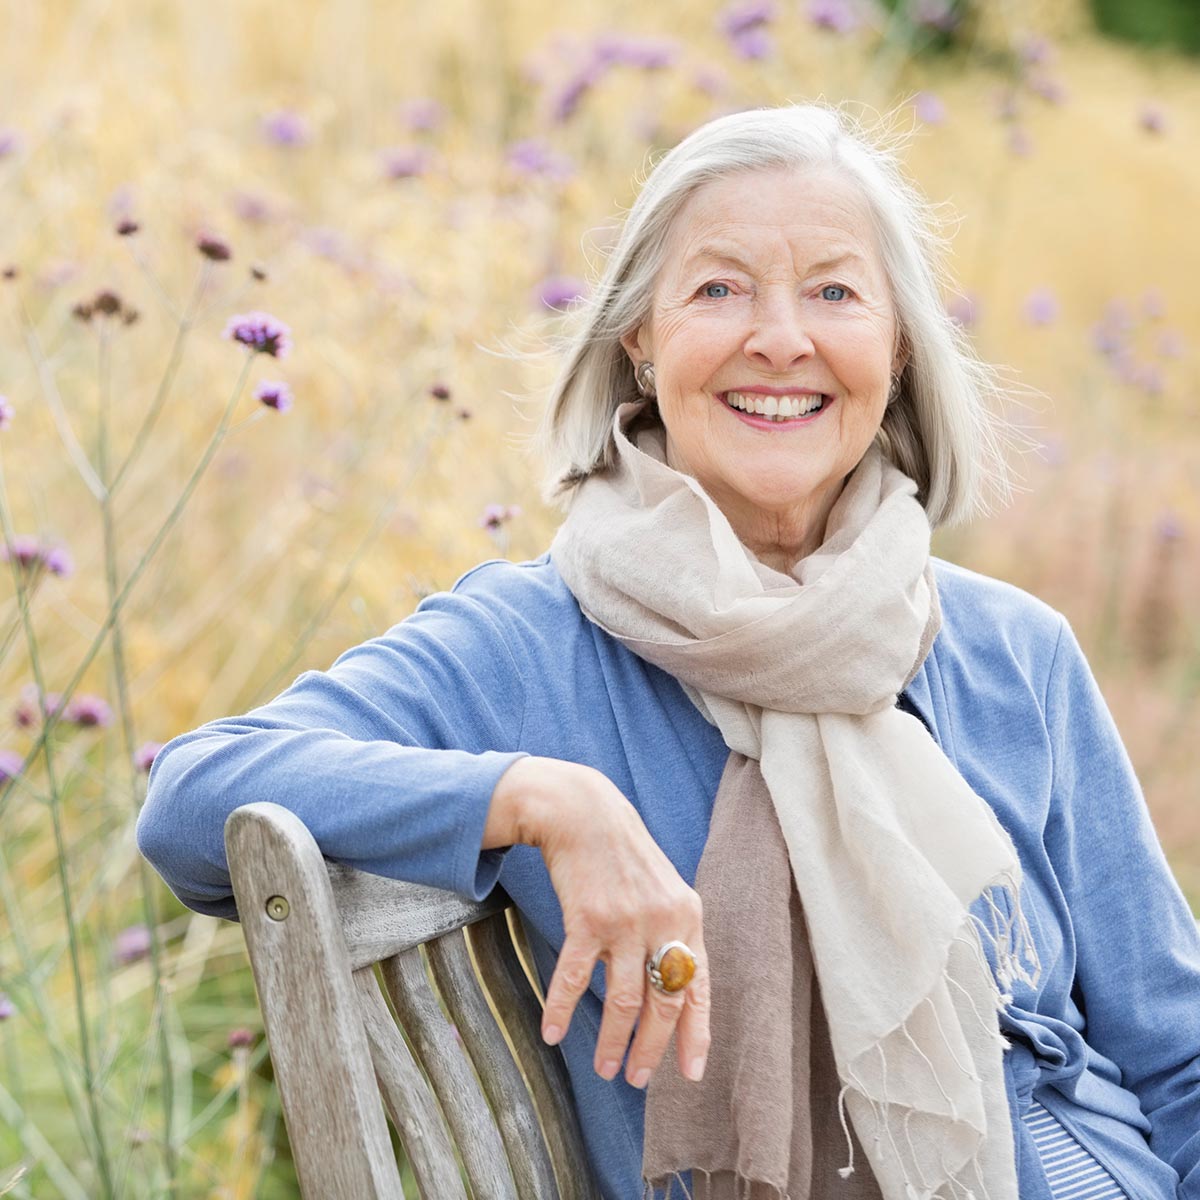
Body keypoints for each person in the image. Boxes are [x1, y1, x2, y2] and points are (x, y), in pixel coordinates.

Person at [137, 103, 1200, 1200]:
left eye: (834, 291)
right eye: (719, 289)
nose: (780, 338)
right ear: (639, 341)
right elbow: (191, 792)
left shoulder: (1014, 653)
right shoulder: (528, 649)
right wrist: (546, 799)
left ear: (896, 348)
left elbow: (1179, 1054)